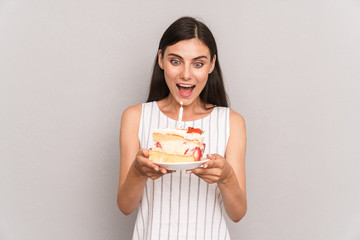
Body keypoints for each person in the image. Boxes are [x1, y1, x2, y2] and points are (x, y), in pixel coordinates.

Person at [117, 16, 247, 240]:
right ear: (161, 59)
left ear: (212, 65)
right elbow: (126, 206)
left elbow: (237, 213)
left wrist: (226, 177)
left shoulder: (231, 122)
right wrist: (138, 172)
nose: (186, 74)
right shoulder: (135, 117)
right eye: (176, 61)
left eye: (198, 63)